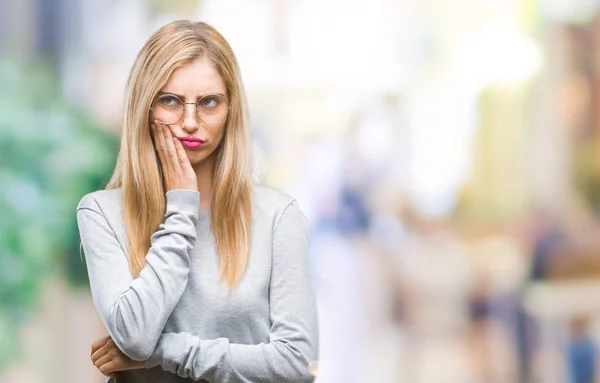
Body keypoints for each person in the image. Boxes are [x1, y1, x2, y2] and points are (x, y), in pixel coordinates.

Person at [76, 20, 319, 382]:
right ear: (145, 106)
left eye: (208, 102)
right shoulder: (102, 212)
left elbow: (296, 362)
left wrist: (168, 351)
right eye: (170, 100)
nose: (190, 122)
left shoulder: (276, 216)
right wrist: (181, 207)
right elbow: (136, 338)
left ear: (230, 109)